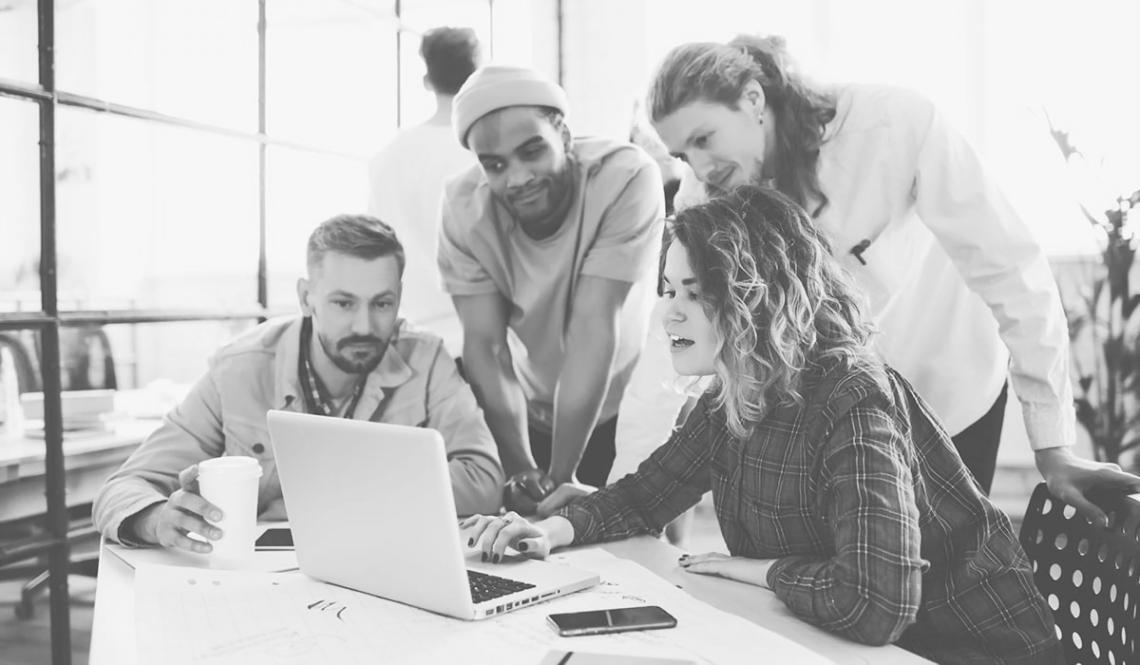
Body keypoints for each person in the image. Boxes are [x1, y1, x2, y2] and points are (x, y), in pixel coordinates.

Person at [463, 186, 1063, 665]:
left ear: (757, 297)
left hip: (967, 651)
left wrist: (755, 571)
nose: (669, 311)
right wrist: (549, 533)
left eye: (695, 295)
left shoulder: (853, 397)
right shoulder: (738, 390)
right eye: (669, 289)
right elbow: (647, 497)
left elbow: (878, 603)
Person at [617, 34, 1140, 521]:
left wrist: (1053, 447)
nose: (701, 167)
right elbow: (673, 333)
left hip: (951, 391)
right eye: (684, 154)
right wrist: (626, 493)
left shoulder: (894, 125)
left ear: (753, 100)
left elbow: (1011, 271)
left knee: (943, 584)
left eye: (705, 138)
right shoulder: (706, 193)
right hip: (829, 416)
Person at [92, 215, 503, 553]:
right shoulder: (238, 370)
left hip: (384, 566)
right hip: (266, 578)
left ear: (398, 296)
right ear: (307, 297)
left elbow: (484, 481)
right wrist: (154, 520)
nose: (364, 325)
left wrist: (347, 479)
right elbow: (122, 488)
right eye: (343, 303)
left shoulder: (427, 359)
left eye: (382, 304)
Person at [438, 64, 664, 513]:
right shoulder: (464, 208)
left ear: (563, 133)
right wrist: (523, 467)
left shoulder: (625, 177)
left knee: (642, 553)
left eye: (531, 151)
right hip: (530, 406)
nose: (517, 177)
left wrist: (562, 477)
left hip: (627, 403)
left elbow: (593, 327)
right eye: (495, 164)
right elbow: (486, 344)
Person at [367, 26, 482, 354]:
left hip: (406, 338)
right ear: (476, 76)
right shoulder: (489, 155)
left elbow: (374, 250)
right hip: (480, 339)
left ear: (426, 82)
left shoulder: (388, 158)